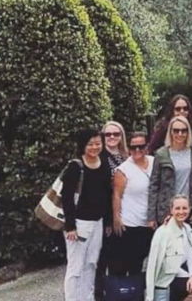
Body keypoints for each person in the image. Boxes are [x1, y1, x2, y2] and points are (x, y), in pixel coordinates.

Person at [148, 116, 192, 275]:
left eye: (183, 130)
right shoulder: (161, 154)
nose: (180, 134)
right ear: (170, 132)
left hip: (191, 209)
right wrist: (152, 216)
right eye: (176, 130)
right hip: (168, 211)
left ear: (188, 132)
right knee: (171, 251)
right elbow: (154, 185)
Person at [62, 128, 113, 301]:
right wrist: (70, 226)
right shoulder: (75, 166)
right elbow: (67, 197)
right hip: (79, 223)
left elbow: (107, 194)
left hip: (97, 222)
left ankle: (87, 297)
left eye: (98, 143)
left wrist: (108, 222)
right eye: (90, 144)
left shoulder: (104, 162)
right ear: (83, 145)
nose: (94, 147)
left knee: (91, 264)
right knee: (75, 267)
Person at [109, 131, 155, 277]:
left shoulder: (155, 162)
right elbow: (116, 195)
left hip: (148, 223)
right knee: (122, 266)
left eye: (141, 146)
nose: (137, 150)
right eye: (133, 147)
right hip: (129, 224)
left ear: (147, 147)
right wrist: (116, 218)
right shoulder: (123, 169)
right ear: (128, 148)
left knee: (138, 265)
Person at [146, 195, 192, 301]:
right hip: (166, 281)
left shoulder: (187, 229)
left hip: (180, 279)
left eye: (184, 208)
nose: (181, 212)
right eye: (177, 208)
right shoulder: (162, 232)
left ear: (189, 209)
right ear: (171, 210)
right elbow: (157, 266)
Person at [96, 121, 129, 298]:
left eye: (116, 134)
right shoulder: (100, 158)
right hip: (108, 215)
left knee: (120, 259)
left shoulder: (126, 156)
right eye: (108, 134)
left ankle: (118, 293)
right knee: (103, 260)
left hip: (126, 213)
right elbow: (101, 192)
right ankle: (100, 295)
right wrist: (109, 220)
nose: (112, 138)